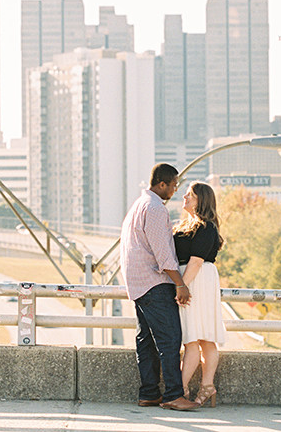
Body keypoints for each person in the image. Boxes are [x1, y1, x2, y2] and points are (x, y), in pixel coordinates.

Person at [120, 163, 199, 411]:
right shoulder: (154, 208)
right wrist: (180, 283)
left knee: (146, 341)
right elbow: (163, 253)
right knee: (169, 339)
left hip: (138, 284)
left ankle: (149, 394)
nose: (175, 191)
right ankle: (173, 395)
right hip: (154, 283)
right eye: (174, 186)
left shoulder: (138, 205)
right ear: (162, 184)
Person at [173, 181, 226, 408]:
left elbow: (195, 262)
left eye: (190, 195)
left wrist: (181, 287)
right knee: (196, 336)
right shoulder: (187, 225)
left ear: (201, 200)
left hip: (197, 280)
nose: (184, 197)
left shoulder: (206, 227)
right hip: (191, 279)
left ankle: (185, 389)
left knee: (198, 336)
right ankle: (201, 387)